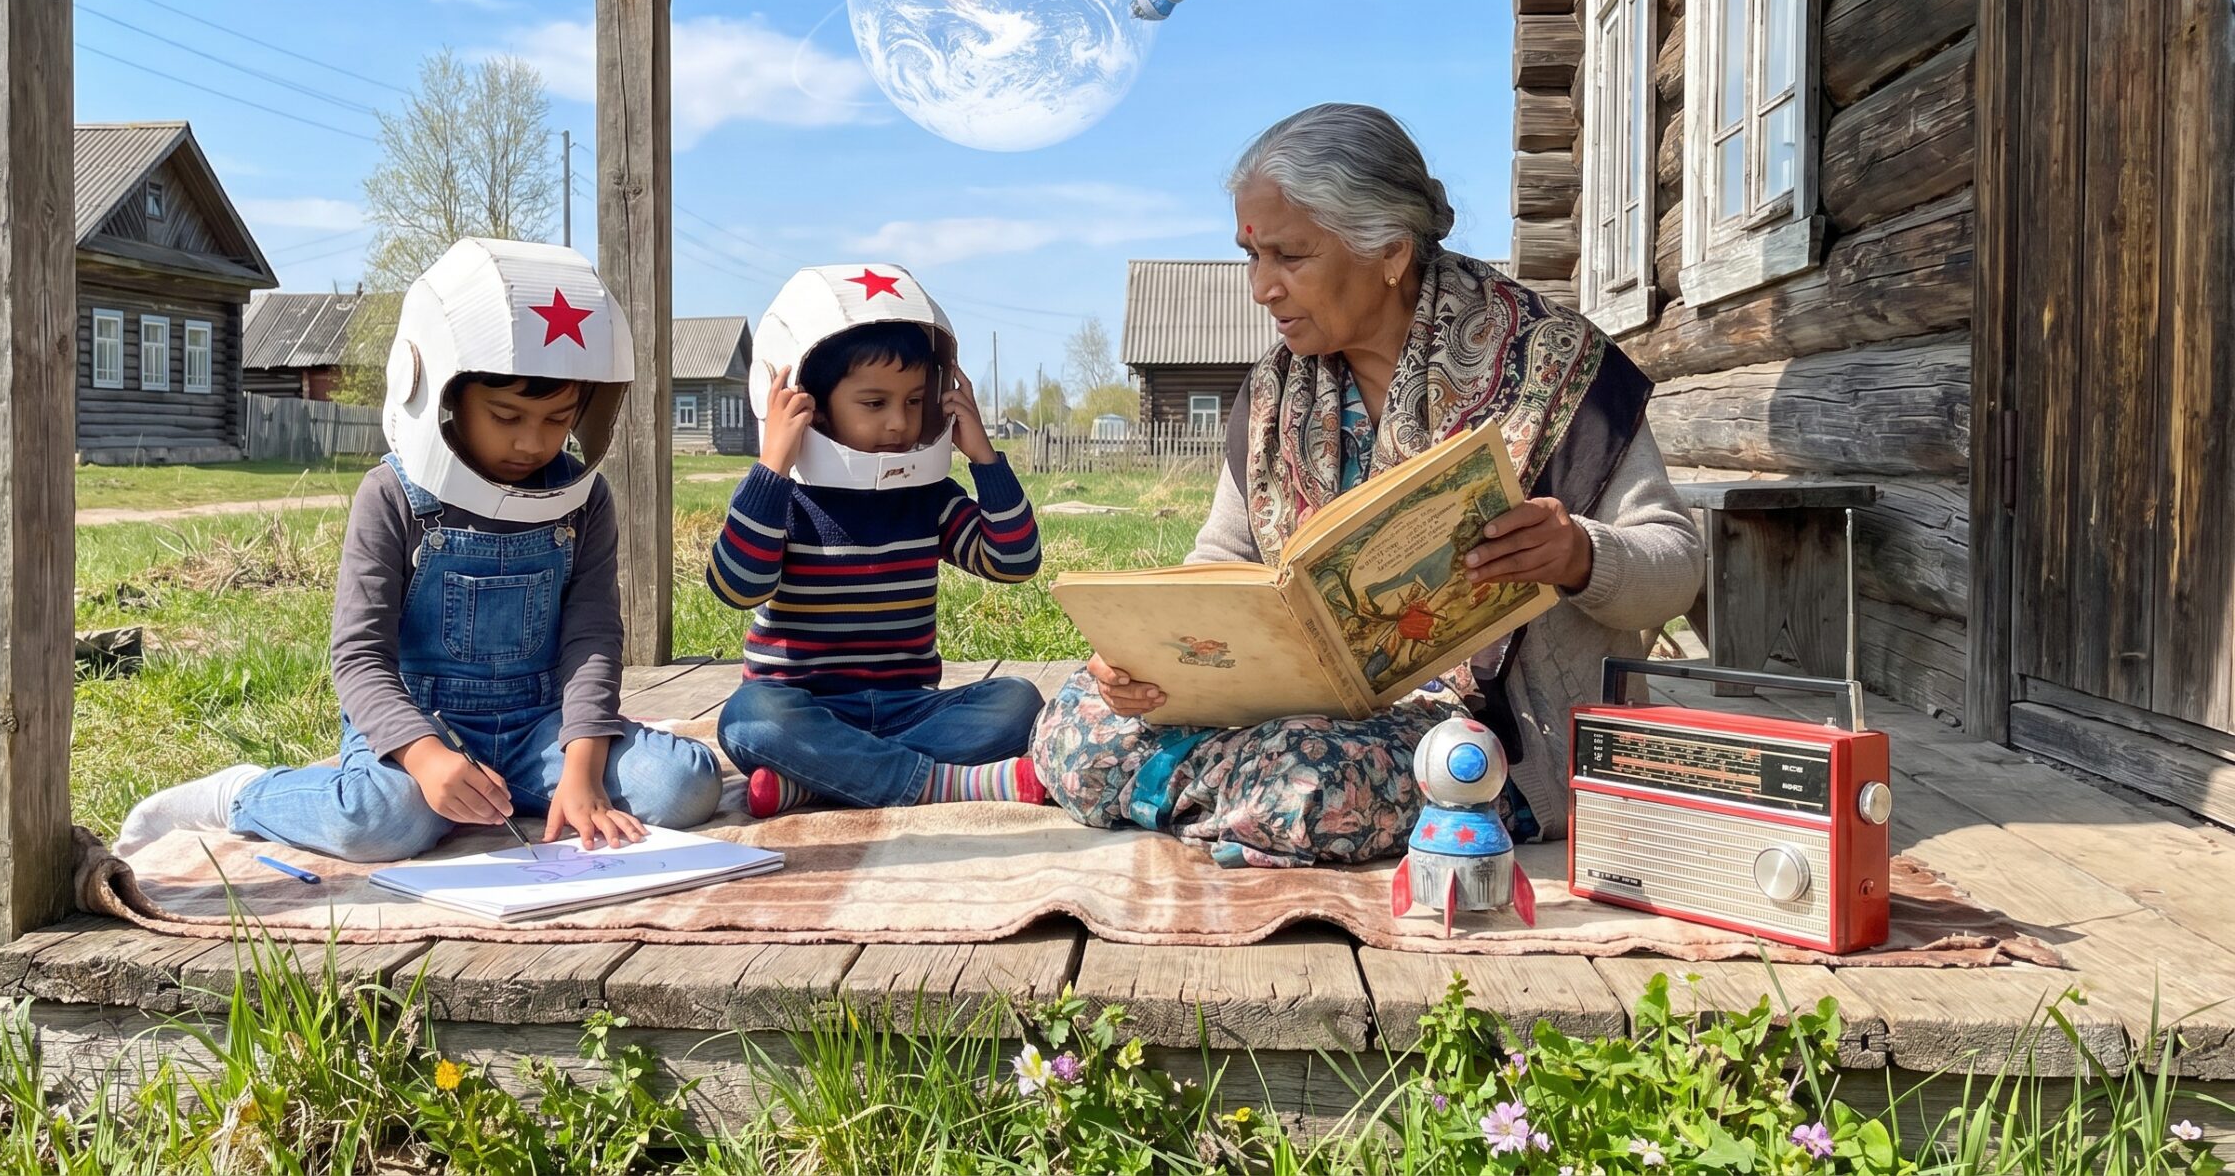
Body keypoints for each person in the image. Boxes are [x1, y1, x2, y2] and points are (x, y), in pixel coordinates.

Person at [1032, 104, 1702, 868]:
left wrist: (1579, 553)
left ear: (1387, 248)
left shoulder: (1553, 366)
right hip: (1291, 711)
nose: (1261, 288)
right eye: (1252, 257)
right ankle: (1240, 811)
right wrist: (1153, 656)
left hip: (1491, 734)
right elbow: (1218, 557)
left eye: (1289, 256)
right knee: (1076, 717)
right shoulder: (1274, 397)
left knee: (1315, 779)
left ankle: (1211, 804)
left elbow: (1675, 566)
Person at [115, 240, 722, 862]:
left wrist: (584, 765)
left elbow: (591, 636)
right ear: (440, 393)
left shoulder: (582, 499)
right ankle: (245, 794)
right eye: (506, 416)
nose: (533, 442)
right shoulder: (391, 497)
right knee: (382, 822)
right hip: (421, 725)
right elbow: (358, 658)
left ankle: (517, 790)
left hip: (541, 723)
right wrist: (426, 758)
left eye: (557, 417)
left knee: (686, 786)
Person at [709, 264, 1049, 819]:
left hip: (910, 708)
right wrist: (772, 464)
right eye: (874, 403)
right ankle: (937, 783)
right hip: (803, 709)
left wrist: (984, 459)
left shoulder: (927, 496)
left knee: (1018, 702)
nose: (899, 423)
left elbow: (1015, 561)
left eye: (914, 401)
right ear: (806, 402)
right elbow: (737, 587)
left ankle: (823, 780)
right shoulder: (785, 499)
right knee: (748, 718)